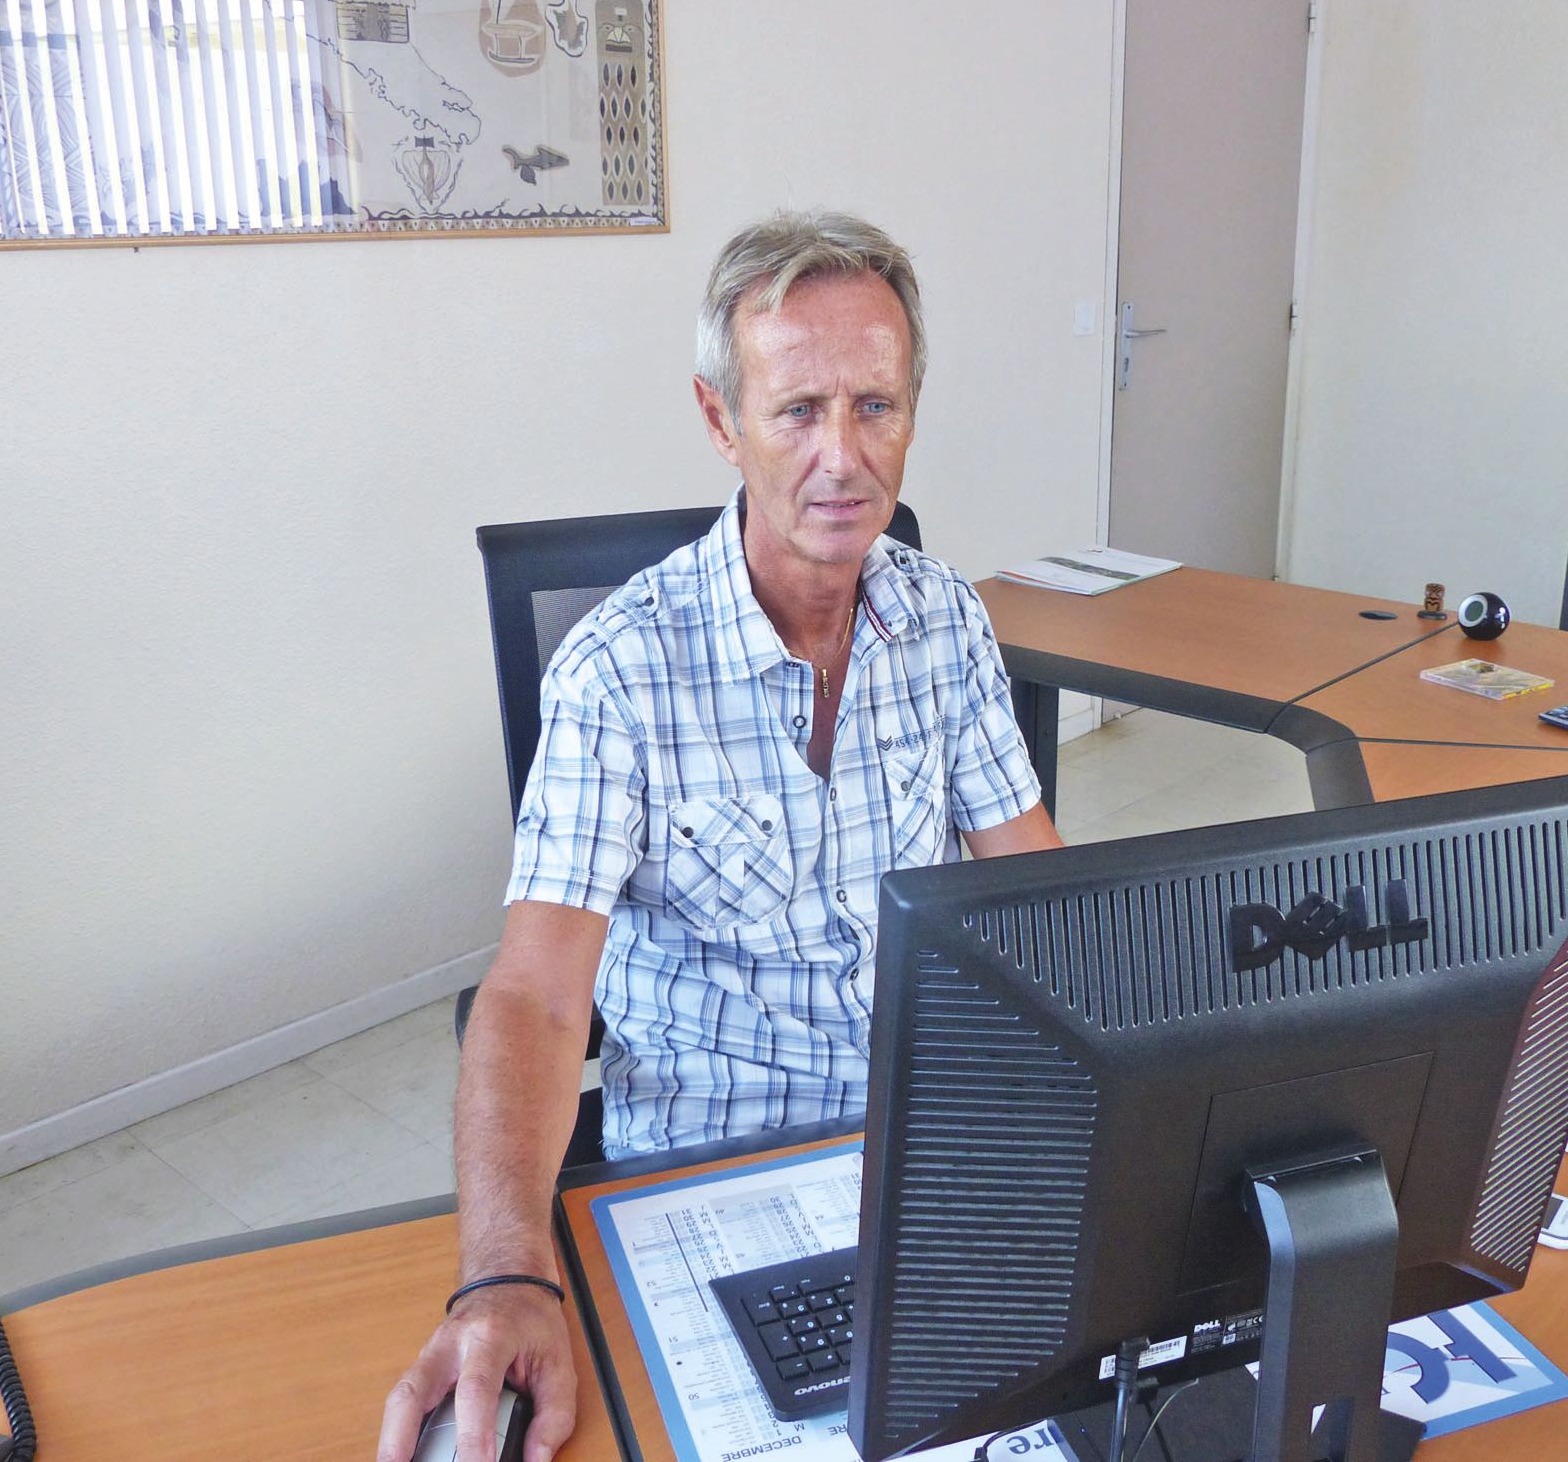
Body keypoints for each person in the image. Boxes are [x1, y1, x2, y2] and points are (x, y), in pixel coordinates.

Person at [377, 211, 1062, 1462]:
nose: (843, 458)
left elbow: (1041, 900)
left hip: (921, 1143)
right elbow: (530, 997)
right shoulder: (618, 673)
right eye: (798, 410)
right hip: (710, 1172)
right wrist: (500, 1271)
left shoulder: (946, 619)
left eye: (877, 405)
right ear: (719, 420)